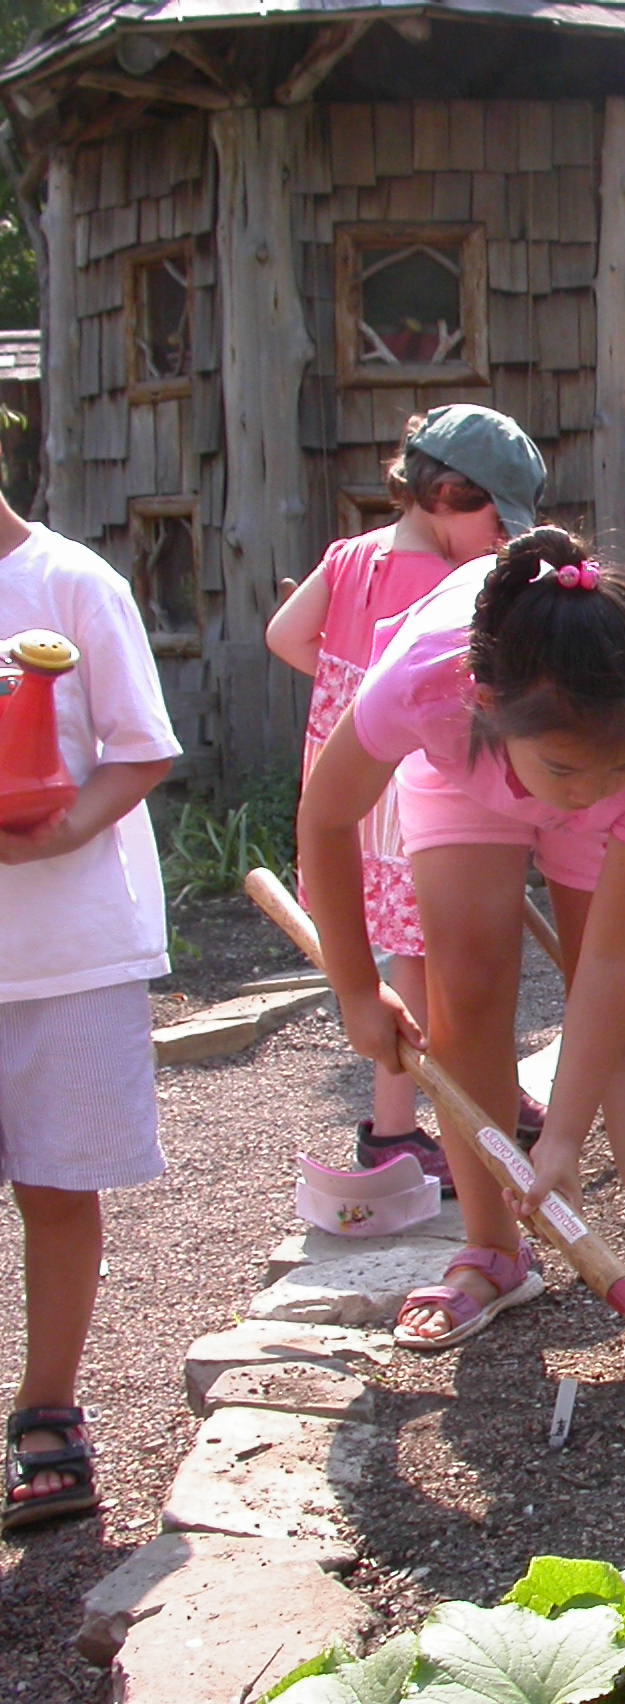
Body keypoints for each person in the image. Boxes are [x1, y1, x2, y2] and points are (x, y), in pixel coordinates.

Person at [298, 526, 625, 1395]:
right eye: (564, 772)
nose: (583, 793)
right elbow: (326, 820)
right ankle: (493, 1251)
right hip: (461, 770)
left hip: (589, 771)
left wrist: (562, 1138)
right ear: (483, 698)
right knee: (465, 992)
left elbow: (612, 969)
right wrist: (357, 991)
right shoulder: (427, 687)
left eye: (607, 771)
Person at [268, 404, 551, 1186]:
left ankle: (486, 1091)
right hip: (404, 791)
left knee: (403, 953)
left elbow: (287, 638)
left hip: (343, 779)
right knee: (431, 964)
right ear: (452, 493)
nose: (500, 542)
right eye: (496, 519)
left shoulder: (348, 555)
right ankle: (409, 1126)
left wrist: (346, 689)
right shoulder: (447, 583)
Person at [0, 493, 179, 1532]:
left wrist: (67, 828)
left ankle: (47, 1411)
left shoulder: (73, 583)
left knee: (58, 1186)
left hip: (68, 951)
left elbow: (141, 746)